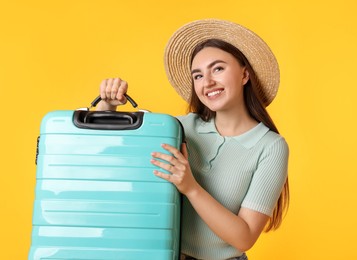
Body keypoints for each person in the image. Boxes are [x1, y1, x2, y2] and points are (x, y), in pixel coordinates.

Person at [96, 19, 289, 260]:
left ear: (244, 74)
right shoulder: (180, 127)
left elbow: (245, 237)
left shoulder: (270, 146)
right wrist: (108, 106)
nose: (207, 82)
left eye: (218, 69)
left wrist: (191, 188)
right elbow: (110, 154)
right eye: (198, 76)